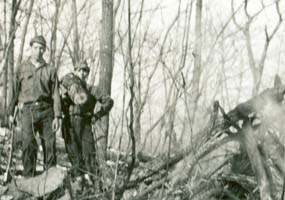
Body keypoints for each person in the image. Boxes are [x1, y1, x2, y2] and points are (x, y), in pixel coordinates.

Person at [8, 35, 62, 177]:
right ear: (30, 48)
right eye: (35, 48)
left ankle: (50, 180)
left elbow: (56, 93)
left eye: (41, 48)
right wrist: (10, 112)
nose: (38, 51)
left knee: (49, 145)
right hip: (28, 110)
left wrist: (57, 116)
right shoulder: (21, 68)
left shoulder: (50, 69)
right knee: (28, 144)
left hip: (47, 111)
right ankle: (28, 179)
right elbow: (14, 91)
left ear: (44, 51)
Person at [60, 60, 113, 183]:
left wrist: (98, 115)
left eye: (85, 71)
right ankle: (79, 186)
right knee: (74, 156)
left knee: (89, 155)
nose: (83, 73)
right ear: (75, 70)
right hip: (68, 123)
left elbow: (109, 101)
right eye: (80, 70)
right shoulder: (66, 84)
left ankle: (95, 185)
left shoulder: (90, 89)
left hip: (85, 124)